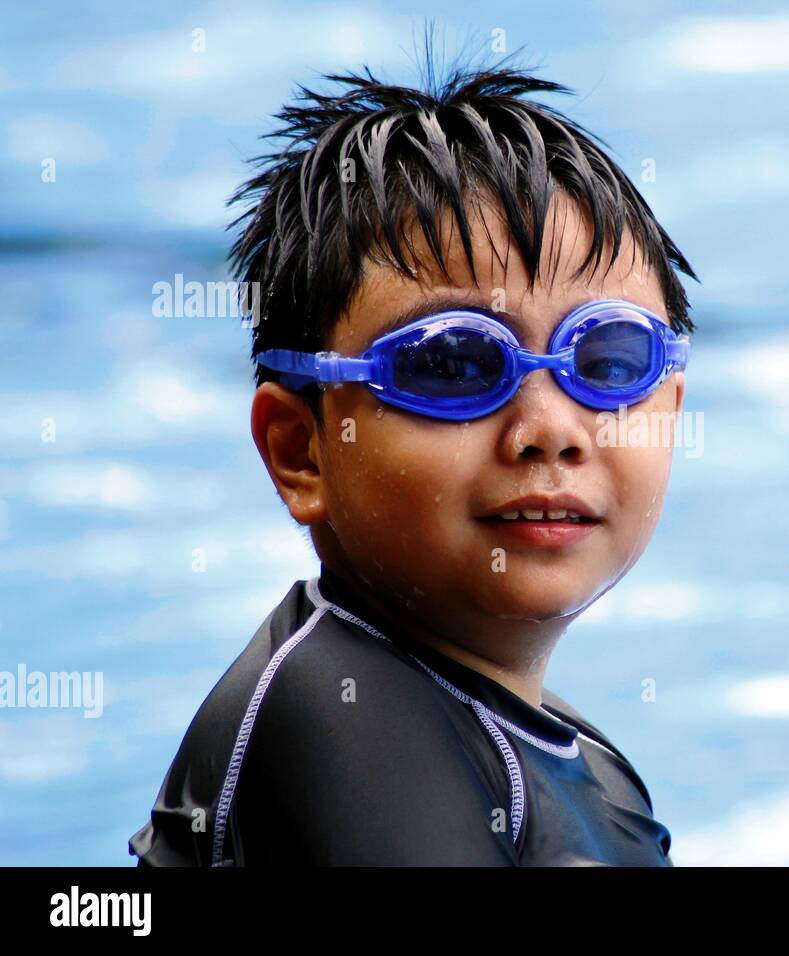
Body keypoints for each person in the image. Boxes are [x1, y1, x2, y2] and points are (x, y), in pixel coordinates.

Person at [127, 51, 698, 866]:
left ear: (669, 411)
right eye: (455, 365)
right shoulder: (336, 715)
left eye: (608, 362)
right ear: (302, 451)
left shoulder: (578, 759)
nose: (550, 429)